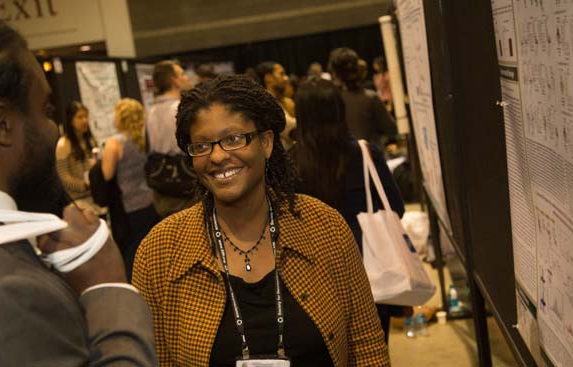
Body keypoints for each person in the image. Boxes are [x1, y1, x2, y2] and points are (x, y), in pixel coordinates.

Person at [133, 75, 390, 366]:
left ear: (266, 143)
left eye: (233, 139)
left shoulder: (325, 228)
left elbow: (367, 346)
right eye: (202, 146)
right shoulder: (160, 251)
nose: (217, 156)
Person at [0, 11, 156, 365]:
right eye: (45, 110)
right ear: (2, 125)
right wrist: (106, 286)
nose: (53, 129)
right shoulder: (3, 294)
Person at [289, 78, 408, 343]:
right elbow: (395, 207)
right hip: (369, 265)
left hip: (313, 269)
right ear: (339, 110)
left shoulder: (291, 161)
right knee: (372, 344)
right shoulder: (366, 153)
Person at [102, 98, 160, 279]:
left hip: (128, 207)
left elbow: (107, 174)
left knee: (131, 257)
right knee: (151, 254)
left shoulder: (114, 142)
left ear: (121, 117)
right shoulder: (143, 139)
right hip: (149, 202)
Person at [146, 60, 195, 218]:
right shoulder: (181, 109)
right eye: (181, 74)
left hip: (161, 184)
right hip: (186, 183)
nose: (186, 78)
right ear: (174, 80)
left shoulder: (150, 112)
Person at [329, 48, 397, 147]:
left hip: (344, 160)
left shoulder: (330, 101)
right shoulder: (370, 98)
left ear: (334, 73)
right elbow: (391, 129)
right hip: (372, 157)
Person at [56, 101, 102, 213]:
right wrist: (85, 185)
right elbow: (64, 177)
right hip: (78, 201)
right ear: (71, 120)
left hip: (96, 197)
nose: (85, 120)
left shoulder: (90, 140)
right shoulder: (63, 144)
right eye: (80, 117)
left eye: (86, 116)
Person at [255, 61, 296, 148]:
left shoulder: (280, 100)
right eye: (282, 74)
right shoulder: (265, 102)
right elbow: (291, 129)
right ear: (268, 78)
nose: (286, 78)